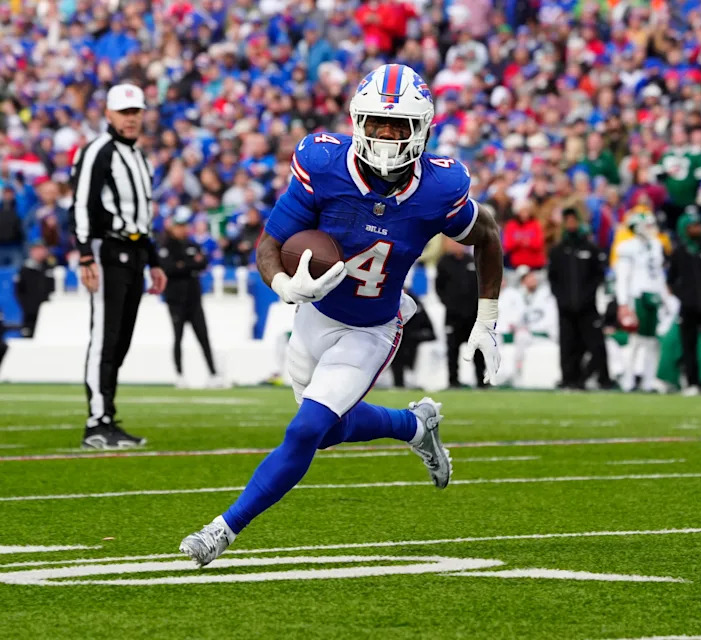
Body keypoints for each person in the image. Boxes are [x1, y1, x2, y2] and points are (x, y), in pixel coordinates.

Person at [180, 64, 503, 566]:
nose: (387, 136)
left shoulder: (441, 186)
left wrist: (486, 319)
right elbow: (270, 243)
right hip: (313, 318)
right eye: (377, 123)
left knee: (305, 431)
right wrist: (285, 284)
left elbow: (488, 235)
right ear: (357, 120)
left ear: (423, 129)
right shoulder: (324, 164)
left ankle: (222, 530)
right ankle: (415, 426)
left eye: (399, 126)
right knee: (326, 434)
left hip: (372, 327)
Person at [70, 83, 167, 450]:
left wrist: (153, 260)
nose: (131, 119)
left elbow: (142, 216)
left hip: (134, 253)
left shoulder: (140, 157)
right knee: (105, 338)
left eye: (136, 112)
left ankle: (106, 415)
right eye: (124, 112)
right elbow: (81, 203)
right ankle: (97, 422)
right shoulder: (99, 150)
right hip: (106, 251)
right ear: (108, 114)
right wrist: (83, 253)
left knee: (121, 340)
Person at [548, 208, 614, 390]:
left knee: (596, 345)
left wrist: (588, 296)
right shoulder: (558, 251)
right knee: (568, 346)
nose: (571, 224)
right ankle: (570, 379)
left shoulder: (590, 249)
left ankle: (603, 379)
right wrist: (561, 299)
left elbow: (598, 276)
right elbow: (553, 279)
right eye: (567, 220)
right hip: (566, 308)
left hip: (588, 307)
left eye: (573, 220)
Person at [159, 207, 223, 389]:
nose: (182, 229)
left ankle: (213, 374)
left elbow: (202, 263)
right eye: (179, 226)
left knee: (203, 337)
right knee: (178, 337)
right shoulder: (166, 246)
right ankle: (179, 374)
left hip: (194, 299)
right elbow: (169, 268)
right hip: (176, 300)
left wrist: (183, 265)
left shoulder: (191, 245)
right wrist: (189, 265)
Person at [667, 209, 701, 395]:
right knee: (688, 346)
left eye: (698, 225)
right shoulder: (679, 252)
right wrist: (684, 296)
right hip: (688, 307)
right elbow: (671, 280)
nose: (697, 229)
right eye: (693, 226)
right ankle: (692, 382)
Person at [614, 212, 666, 392]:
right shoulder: (627, 247)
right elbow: (623, 277)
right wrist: (623, 303)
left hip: (654, 296)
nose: (651, 229)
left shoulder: (656, 245)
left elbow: (659, 275)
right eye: (648, 225)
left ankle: (648, 380)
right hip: (637, 296)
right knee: (635, 341)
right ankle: (628, 380)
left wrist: (664, 299)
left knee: (652, 342)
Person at [436, 237, 486, 388]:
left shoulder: (472, 261)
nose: (457, 246)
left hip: (472, 314)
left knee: (477, 348)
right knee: (452, 349)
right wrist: (449, 304)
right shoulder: (444, 262)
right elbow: (439, 287)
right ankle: (453, 380)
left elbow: (480, 285)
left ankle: (480, 380)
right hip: (453, 315)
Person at [497, 265, 558, 387]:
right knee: (518, 337)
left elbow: (549, 316)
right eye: (526, 279)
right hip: (526, 332)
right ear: (522, 282)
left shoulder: (546, 294)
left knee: (522, 336)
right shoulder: (518, 295)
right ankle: (507, 373)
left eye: (531, 277)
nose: (530, 280)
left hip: (544, 332)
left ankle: (516, 373)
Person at [14, 243, 55, 337]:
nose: (40, 253)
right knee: (29, 335)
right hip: (30, 312)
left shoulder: (50, 268)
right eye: (37, 250)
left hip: (47, 310)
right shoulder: (24, 270)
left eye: (42, 250)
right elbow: (19, 291)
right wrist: (28, 306)